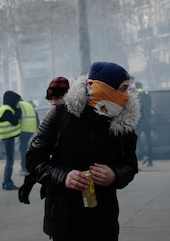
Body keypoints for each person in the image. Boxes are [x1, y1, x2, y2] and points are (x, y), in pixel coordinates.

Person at [25, 61, 140, 241]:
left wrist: (114, 175)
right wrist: (63, 176)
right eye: (123, 88)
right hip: (64, 218)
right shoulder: (58, 115)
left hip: (104, 220)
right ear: (103, 88)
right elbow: (34, 160)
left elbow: (130, 166)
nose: (127, 96)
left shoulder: (123, 123)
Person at [18, 76, 70, 205]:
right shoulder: (53, 119)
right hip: (55, 185)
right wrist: (29, 180)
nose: (53, 103)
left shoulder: (74, 121)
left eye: (58, 98)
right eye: (50, 99)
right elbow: (39, 153)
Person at [0, 90, 22, 190]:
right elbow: (14, 121)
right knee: (9, 161)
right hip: (7, 138)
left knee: (9, 160)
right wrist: (18, 110)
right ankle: (7, 182)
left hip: (7, 138)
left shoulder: (4, 109)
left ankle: (6, 182)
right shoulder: (7, 110)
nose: (18, 104)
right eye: (16, 101)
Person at [134, 81, 153, 167]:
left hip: (140, 121)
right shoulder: (146, 93)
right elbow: (150, 106)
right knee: (148, 140)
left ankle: (143, 155)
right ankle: (150, 160)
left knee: (136, 138)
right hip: (147, 120)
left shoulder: (135, 95)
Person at [19, 98, 39, 175]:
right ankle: (30, 166)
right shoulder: (30, 106)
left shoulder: (20, 105)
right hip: (32, 130)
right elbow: (36, 117)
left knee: (23, 150)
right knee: (30, 149)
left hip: (24, 130)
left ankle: (24, 167)